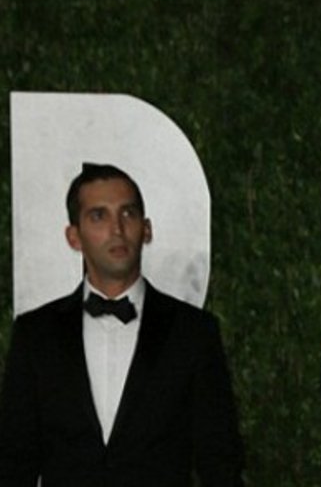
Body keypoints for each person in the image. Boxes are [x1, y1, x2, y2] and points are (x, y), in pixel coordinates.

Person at [0, 163, 244, 486]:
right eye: (98, 216)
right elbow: (15, 463)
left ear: (146, 228)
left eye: (127, 213)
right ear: (74, 236)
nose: (116, 229)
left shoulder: (193, 333)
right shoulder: (36, 335)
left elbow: (220, 463)